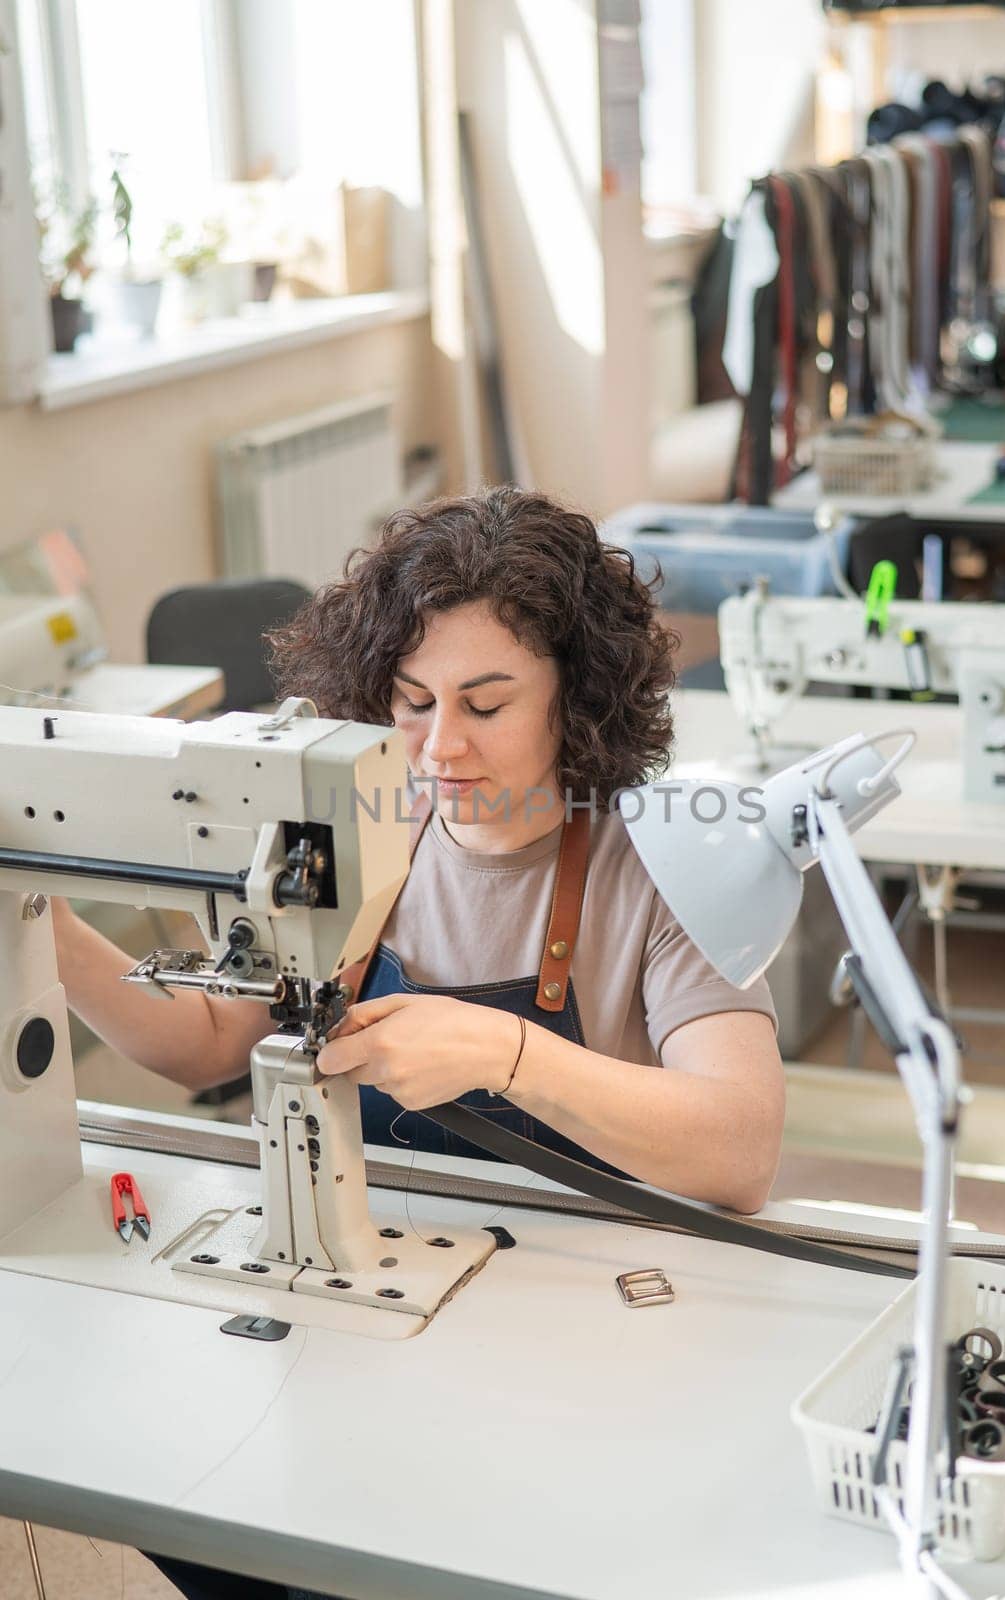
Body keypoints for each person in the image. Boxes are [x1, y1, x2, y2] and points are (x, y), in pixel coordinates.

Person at [53, 487, 784, 1599]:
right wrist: (43, 928)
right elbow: (204, 1041)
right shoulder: (352, 828)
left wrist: (506, 1054)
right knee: (186, 1487)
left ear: (573, 699)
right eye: (411, 700)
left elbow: (739, 1148)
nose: (440, 746)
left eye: (487, 704)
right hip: (362, 1316)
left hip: (568, 1348)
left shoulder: (667, 862)